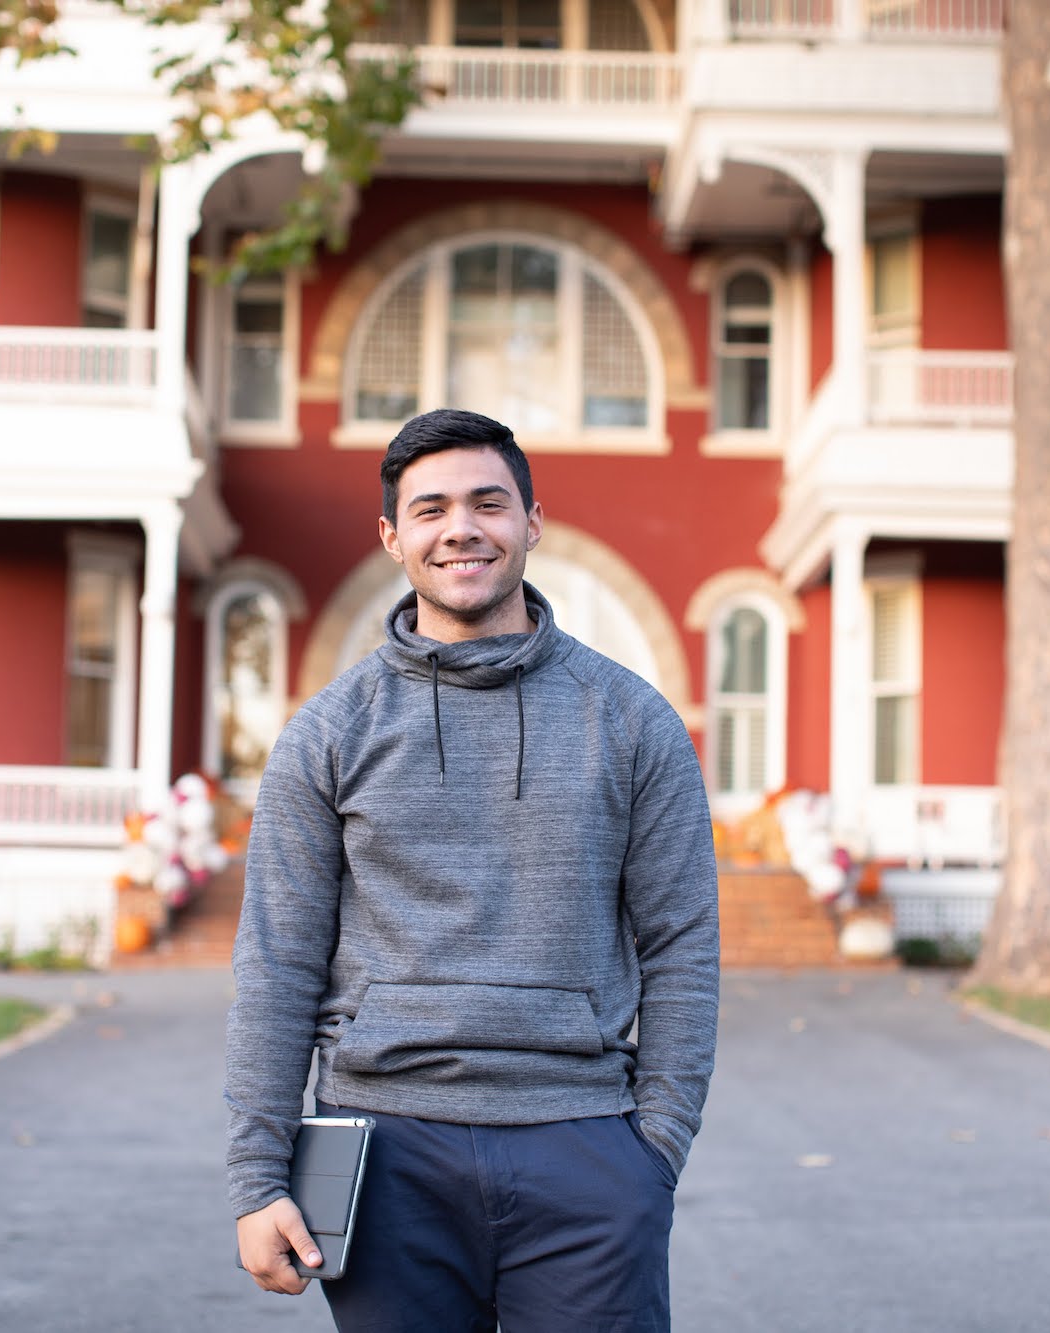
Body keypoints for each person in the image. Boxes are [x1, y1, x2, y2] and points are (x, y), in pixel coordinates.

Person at [226, 407, 721, 1331]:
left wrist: (656, 1148)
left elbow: (683, 943)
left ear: (532, 523)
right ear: (393, 537)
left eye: (490, 503)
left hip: (584, 1146)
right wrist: (258, 1179)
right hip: (384, 1150)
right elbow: (277, 961)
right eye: (431, 508)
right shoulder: (329, 734)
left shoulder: (632, 719)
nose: (462, 527)